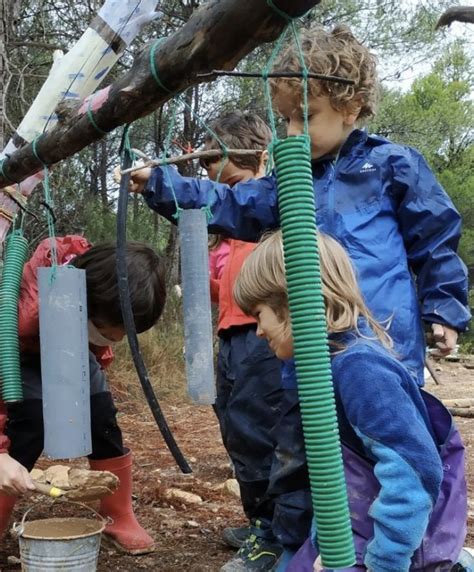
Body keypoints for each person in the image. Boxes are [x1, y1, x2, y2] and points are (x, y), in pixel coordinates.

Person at [128, 24, 470, 556]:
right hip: (308, 349)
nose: (290, 131)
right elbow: (232, 204)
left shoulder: (392, 166)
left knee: (384, 450)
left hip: (382, 347)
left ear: (351, 106)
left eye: (303, 118)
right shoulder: (290, 179)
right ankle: (292, 545)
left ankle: (398, 550)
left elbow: (435, 242)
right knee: (298, 452)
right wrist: (163, 184)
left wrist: (443, 309)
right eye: (284, 119)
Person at [233, 230, 467, 571]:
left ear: (290, 302)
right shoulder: (326, 368)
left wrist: (384, 563)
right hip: (347, 536)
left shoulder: (359, 368)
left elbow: (414, 473)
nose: (258, 331)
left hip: (383, 550)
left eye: (258, 314)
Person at [0, 235, 166, 555]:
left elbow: (94, 345)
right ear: (85, 303)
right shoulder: (24, 315)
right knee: (30, 420)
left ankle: (119, 514)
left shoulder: (98, 292)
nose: (112, 338)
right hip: (20, 353)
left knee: (101, 413)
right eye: (107, 329)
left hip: (70, 345)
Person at [204, 111, 285, 571]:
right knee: (235, 428)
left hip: (263, 336)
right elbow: (227, 284)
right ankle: (259, 520)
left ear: (255, 157)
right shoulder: (228, 225)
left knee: (261, 430)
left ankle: (275, 532)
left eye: (227, 173)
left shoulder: (267, 209)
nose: (212, 173)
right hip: (229, 337)